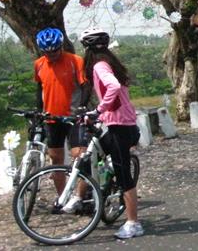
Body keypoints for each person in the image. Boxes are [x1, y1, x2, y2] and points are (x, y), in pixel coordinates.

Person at [80, 28, 143, 239]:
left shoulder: (99, 66)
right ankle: (103, 187)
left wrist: (99, 110)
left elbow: (113, 87)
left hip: (121, 127)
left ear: (87, 50)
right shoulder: (110, 64)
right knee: (94, 157)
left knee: (124, 175)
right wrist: (97, 113)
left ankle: (133, 223)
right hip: (123, 123)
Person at [33, 27, 89, 195]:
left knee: (79, 156)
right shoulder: (39, 64)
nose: (52, 55)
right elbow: (39, 88)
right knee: (56, 159)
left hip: (73, 117)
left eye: (55, 51)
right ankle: (62, 198)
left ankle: (80, 197)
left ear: (61, 46)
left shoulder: (75, 60)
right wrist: (37, 111)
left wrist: (82, 107)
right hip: (51, 119)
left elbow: (86, 86)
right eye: (47, 52)